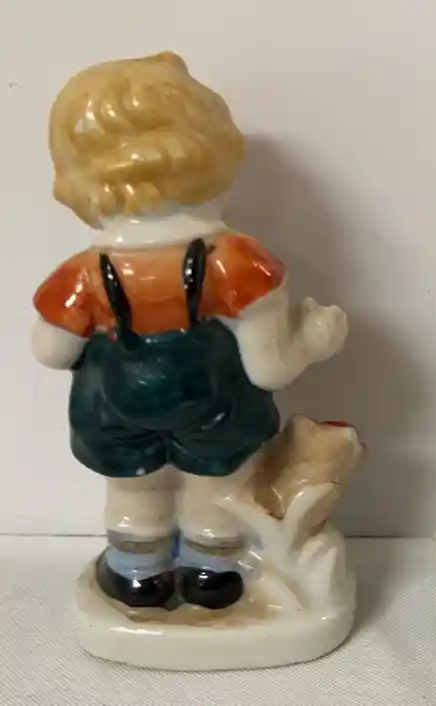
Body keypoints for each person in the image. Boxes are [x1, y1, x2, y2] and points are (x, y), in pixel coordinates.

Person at [31, 52, 347, 611]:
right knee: (218, 486)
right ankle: (211, 572)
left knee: (135, 489)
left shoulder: (83, 275)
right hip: (216, 409)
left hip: (115, 411)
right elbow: (269, 368)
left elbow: (50, 349)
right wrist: (314, 339)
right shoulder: (237, 263)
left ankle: (137, 572)